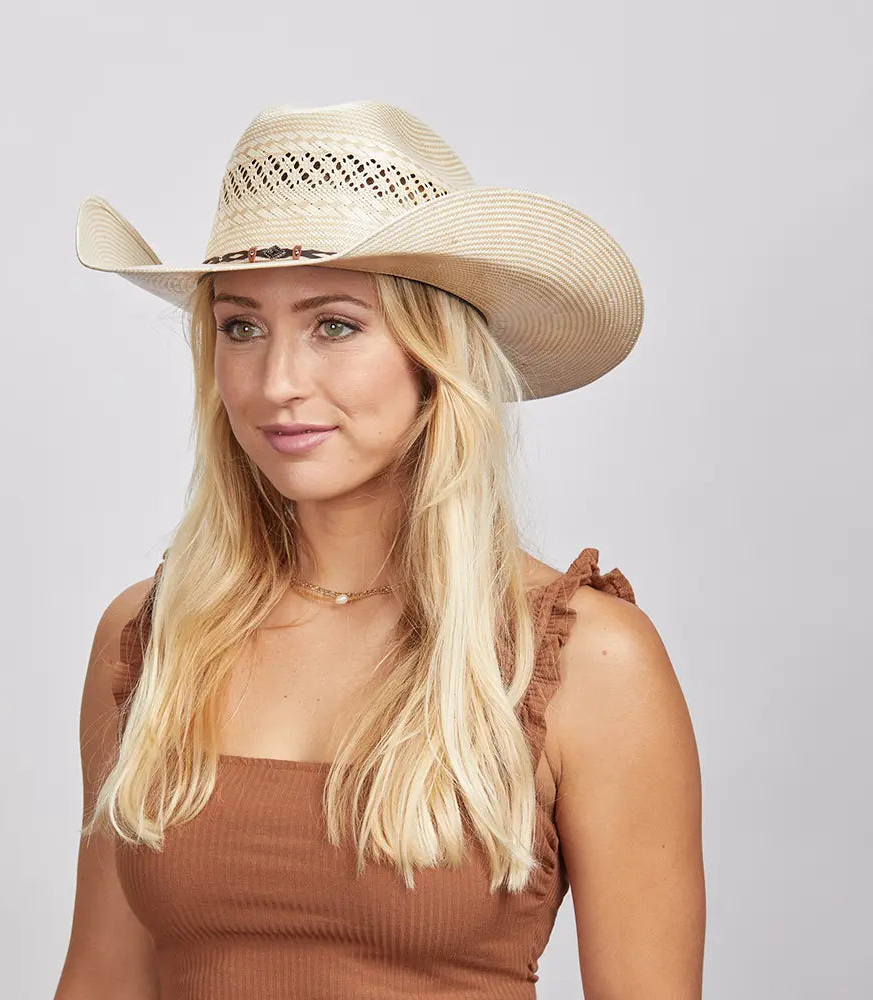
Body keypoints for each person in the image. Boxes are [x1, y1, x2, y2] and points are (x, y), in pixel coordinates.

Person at [55, 101, 705, 999]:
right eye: (241, 327)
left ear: (436, 357)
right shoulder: (153, 640)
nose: (278, 383)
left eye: (335, 325)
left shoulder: (586, 662)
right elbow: (101, 982)